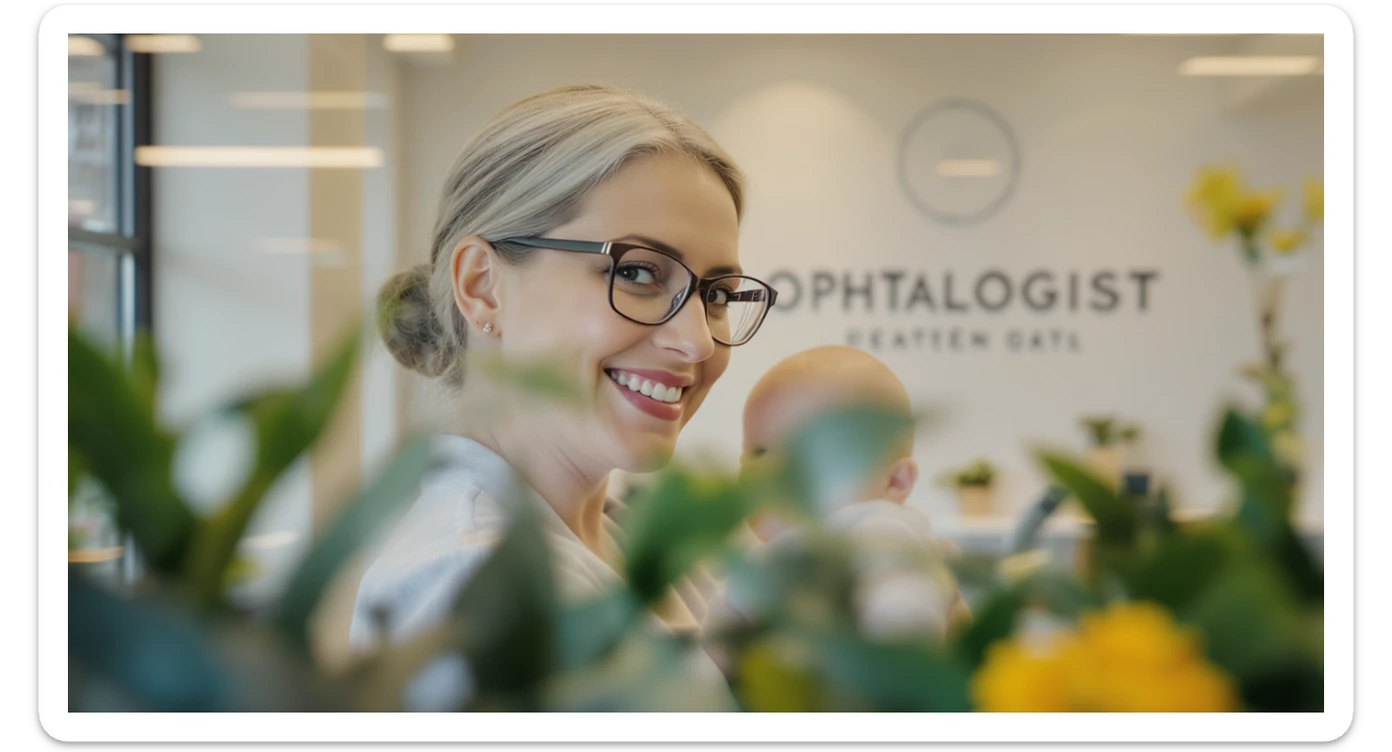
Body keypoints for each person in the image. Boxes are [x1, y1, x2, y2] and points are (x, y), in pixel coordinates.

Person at [348, 83, 778, 710]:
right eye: (637, 272)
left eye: (715, 294)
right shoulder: (476, 586)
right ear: (483, 286)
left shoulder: (626, 536)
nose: (694, 342)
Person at [713, 345, 971, 644]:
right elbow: (721, 632)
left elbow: (906, 611)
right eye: (759, 453)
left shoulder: (880, 530)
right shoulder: (761, 558)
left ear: (895, 482)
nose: (776, 476)